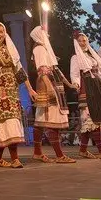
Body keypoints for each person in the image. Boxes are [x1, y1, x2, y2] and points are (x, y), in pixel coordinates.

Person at [0, 21, 37, 168]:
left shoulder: (11, 50)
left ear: (5, 33)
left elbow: (20, 72)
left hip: (12, 89)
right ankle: (14, 158)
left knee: (13, 121)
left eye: (1, 32)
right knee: (4, 123)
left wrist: (30, 90)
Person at [29, 25, 75, 164]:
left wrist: (69, 84)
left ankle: (37, 152)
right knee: (50, 120)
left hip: (54, 83)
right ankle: (59, 155)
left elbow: (56, 70)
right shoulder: (39, 48)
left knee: (41, 120)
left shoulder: (46, 49)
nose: (48, 36)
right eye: (45, 34)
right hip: (47, 83)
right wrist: (49, 88)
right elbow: (42, 70)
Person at [70, 32, 101, 159]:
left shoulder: (92, 56)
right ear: (76, 42)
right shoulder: (76, 57)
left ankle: (83, 150)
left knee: (94, 120)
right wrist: (75, 84)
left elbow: (100, 73)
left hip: (97, 86)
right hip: (87, 87)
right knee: (91, 119)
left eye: (85, 40)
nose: (83, 42)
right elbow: (74, 73)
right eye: (80, 40)